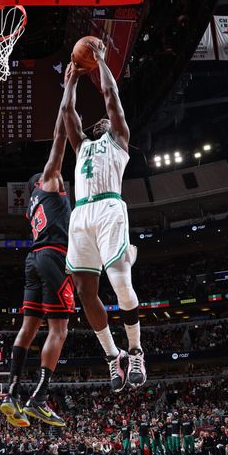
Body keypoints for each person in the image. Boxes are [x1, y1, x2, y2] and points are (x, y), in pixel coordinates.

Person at [60, 41, 144, 393]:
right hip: (81, 214)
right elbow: (67, 114)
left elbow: (111, 97)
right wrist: (72, 80)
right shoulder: (81, 146)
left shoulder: (119, 139)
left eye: (107, 119)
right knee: (84, 290)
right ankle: (113, 356)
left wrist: (101, 63)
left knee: (120, 283)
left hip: (110, 207)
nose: (103, 119)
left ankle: (136, 349)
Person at [1, 102, 74, 429]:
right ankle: (39, 397)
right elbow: (59, 139)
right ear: (44, 181)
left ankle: (11, 393)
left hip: (32, 259)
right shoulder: (50, 181)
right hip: (53, 256)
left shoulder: (33, 207)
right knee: (59, 328)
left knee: (29, 327)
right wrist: (66, 102)